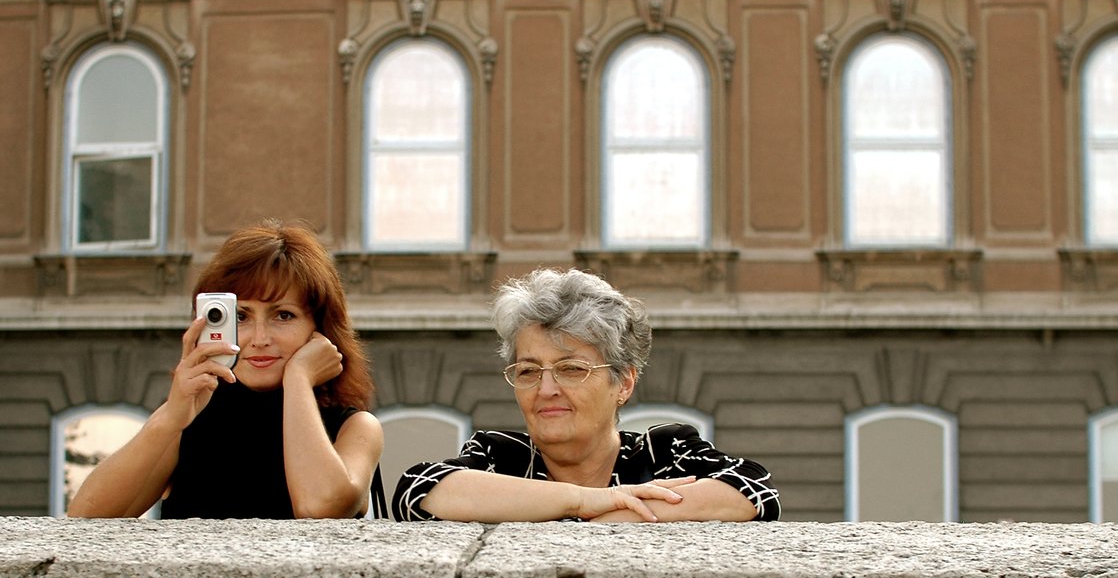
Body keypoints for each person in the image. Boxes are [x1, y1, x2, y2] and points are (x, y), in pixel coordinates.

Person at [394, 268, 780, 523]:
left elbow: (753, 490)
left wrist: (607, 520)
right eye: (529, 371)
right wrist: (583, 501)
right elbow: (417, 489)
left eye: (572, 369)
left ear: (624, 383)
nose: (546, 390)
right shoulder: (500, 457)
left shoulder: (664, 452)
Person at [68, 219, 383, 519]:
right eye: (242, 317)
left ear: (320, 328)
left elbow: (320, 508)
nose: (260, 339)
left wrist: (298, 378)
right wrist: (171, 417)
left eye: (283, 316)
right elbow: (86, 516)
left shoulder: (354, 427)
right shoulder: (189, 418)